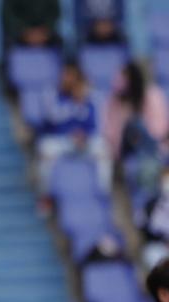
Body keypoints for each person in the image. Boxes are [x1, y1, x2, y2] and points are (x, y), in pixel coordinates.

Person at [36, 61, 110, 201]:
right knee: (46, 150)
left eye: (71, 76)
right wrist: (73, 104)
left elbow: (97, 125)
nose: (67, 79)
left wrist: (85, 135)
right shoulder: (52, 93)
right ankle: (46, 196)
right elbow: (51, 118)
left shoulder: (90, 96)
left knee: (103, 149)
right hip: (61, 140)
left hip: (84, 142)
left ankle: (102, 193)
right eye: (65, 75)